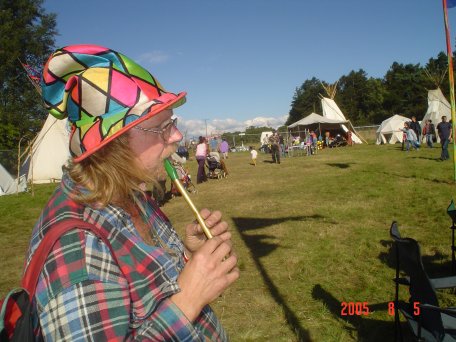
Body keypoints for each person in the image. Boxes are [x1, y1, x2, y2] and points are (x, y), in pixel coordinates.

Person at [24, 44, 239, 341]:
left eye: (172, 123)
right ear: (115, 143)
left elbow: (149, 291)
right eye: (162, 127)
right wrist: (188, 301)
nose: (177, 136)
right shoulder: (77, 249)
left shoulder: (131, 195)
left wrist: (188, 256)